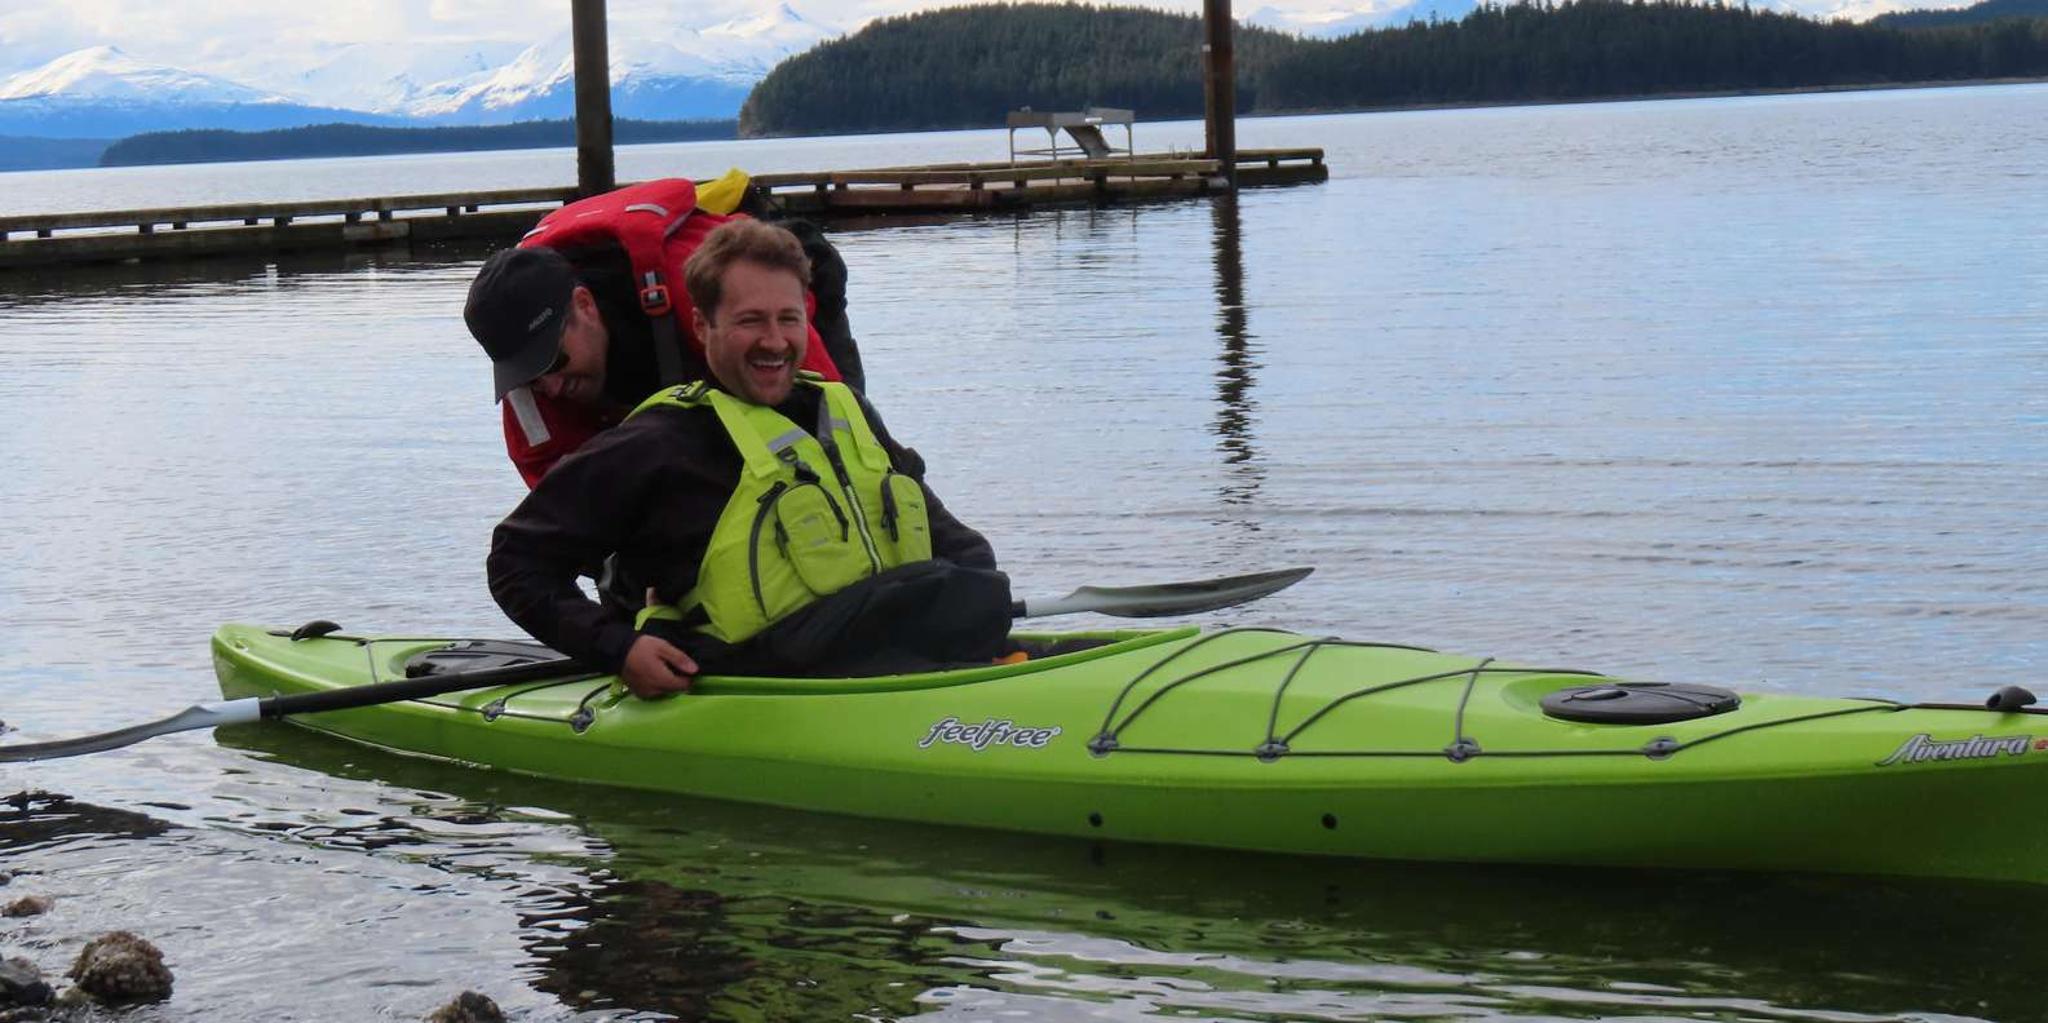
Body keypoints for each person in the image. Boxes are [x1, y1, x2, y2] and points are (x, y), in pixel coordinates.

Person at [486, 220, 1009, 697]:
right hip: (772, 689)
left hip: (910, 665)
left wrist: (976, 624)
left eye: (787, 319)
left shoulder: (849, 414)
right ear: (701, 325)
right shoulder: (656, 443)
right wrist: (618, 648)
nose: (774, 341)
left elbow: (958, 544)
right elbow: (516, 562)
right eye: (750, 321)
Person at [465, 183, 865, 488]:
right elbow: (559, 514)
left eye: (554, 361)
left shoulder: (697, 288)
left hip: (787, 325)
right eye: (530, 376)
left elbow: (828, 408)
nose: (549, 385)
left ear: (584, 305)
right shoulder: (527, 380)